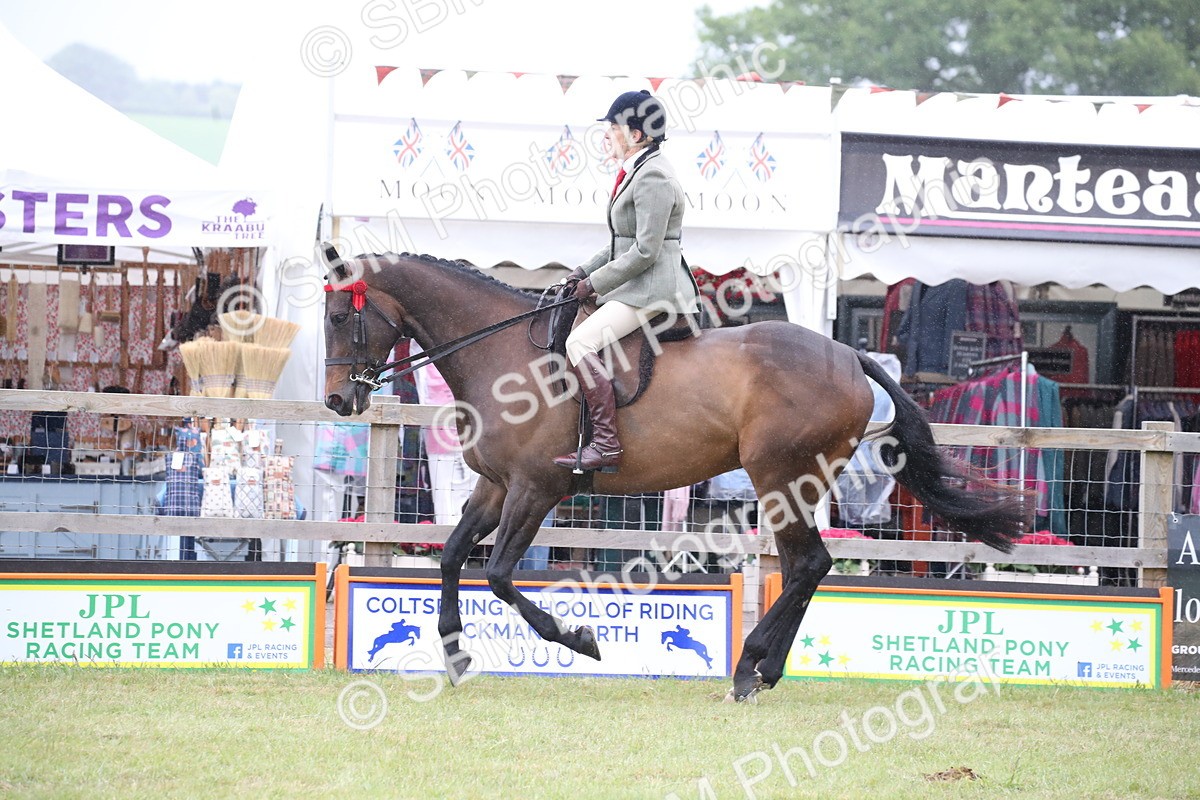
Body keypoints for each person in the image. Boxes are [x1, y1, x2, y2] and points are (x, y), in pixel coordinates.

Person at [553, 89, 700, 473]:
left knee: (580, 340)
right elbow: (620, 241)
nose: (608, 135)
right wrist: (581, 273)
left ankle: (605, 445)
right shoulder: (639, 169)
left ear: (636, 134)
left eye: (613, 127)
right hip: (639, 282)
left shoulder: (653, 176)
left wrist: (595, 284)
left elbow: (646, 251)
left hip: (653, 288)